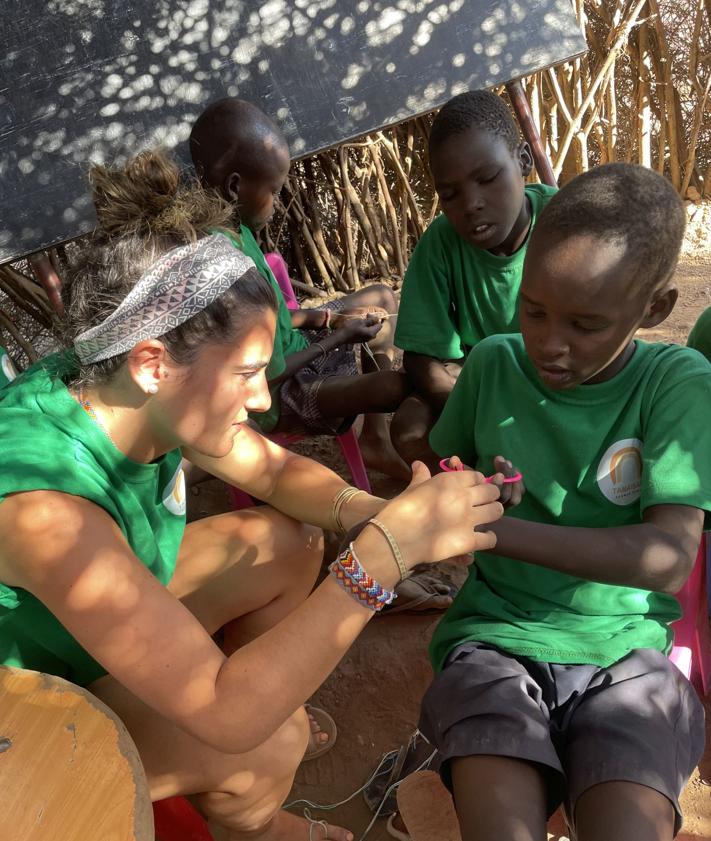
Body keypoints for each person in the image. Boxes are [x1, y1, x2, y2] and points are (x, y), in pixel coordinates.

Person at [0, 150, 504, 841]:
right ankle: (257, 825)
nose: (264, 398)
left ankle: (267, 709)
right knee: (253, 737)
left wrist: (374, 514)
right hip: (21, 716)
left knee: (286, 542)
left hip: (73, 639)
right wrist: (383, 559)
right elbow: (223, 709)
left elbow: (269, 472)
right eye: (244, 374)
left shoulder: (115, 379)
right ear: (153, 363)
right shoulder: (46, 513)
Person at [418, 163, 710, 841]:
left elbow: (665, 558)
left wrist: (491, 527)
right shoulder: (492, 363)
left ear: (654, 309)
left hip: (625, 656)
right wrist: (472, 483)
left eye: (583, 323)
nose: (549, 343)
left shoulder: (675, 384)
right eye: (533, 309)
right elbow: (444, 464)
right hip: (493, 640)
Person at [189, 97, 411, 480]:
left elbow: (275, 316)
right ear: (235, 187)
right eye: (274, 191)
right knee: (394, 385)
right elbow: (262, 376)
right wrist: (335, 339)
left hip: (297, 353)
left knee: (382, 297)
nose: (276, 205)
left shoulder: (238, 231)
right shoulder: (226, 270)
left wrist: (330, 317)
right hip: (280, 394)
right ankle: (375, 431)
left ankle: (375, 440)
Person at [391, 90, 557, 466]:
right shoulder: (441, 243)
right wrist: (479, 413)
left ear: (523, 160)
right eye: (450, 194)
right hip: (478, 385)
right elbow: (421, 358)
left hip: (557, 374)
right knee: (410, 427)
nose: (471, 204)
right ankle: (471, 499)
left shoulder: (564, 225)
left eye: (487, 178)